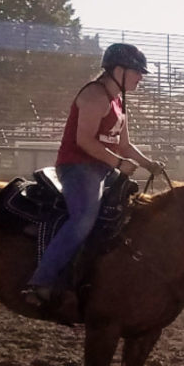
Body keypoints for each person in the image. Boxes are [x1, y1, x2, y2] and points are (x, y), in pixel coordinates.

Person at [23, 42, 164, 308]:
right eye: (137, 71)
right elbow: (84, 141)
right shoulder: (94, 97)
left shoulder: (117, 101)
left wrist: (148, 164)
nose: (140, 77)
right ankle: (41, 282)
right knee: (84, 219)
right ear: (119, 70)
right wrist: (118, 163)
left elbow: (123, 144)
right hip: (78, 167)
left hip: (103, 167)